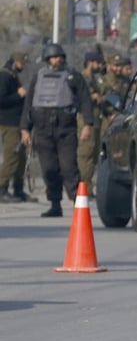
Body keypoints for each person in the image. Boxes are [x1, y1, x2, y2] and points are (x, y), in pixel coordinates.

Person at [20, 44, 95, 217]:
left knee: (69, 168)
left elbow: (85, 100)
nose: (58, 59)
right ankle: (55, 204)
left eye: (60, 56)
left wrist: (88, 125)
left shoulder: (72, 76)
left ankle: (79, 204)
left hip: (65, 130)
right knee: (49, 169)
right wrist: (25, 129)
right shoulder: (38, 77)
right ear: (48, 59)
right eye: (54, 57)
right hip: (42, 130)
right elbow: (29, 104)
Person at [0, 51, 30, 202]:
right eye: (22, 63)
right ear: (15, 62)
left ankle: (18, 189)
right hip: (9, 123)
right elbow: (2, 99)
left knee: (21, 158)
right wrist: (18, 95)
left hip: (18, 123)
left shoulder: (12, 75)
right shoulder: (5, 76)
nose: (23, 66)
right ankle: (2, 189)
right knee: (11, 157)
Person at [76, 52, 107, 194]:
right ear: (90, 63)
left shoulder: (94, 78)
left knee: (93, 155)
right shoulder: (83, 77)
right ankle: (83, 187)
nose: (99, 66)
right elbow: (80, 94)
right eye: (97, 63)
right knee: (85, 154)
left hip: (95, 119)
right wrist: (92, 95)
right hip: (85, 119)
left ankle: (88, 186)